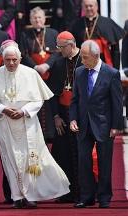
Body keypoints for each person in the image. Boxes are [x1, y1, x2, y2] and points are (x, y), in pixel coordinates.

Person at [0, 43, 70, 208]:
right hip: (6, 124)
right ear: (3, 59)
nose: (11, 63)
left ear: (20, 59)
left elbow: (39, 99)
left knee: (30, 159)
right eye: (7, 60)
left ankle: (30, 195)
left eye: (14, 60)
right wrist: (3, 109)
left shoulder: (31, 74)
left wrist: (23, 111)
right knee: (11, 160)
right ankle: (17, 196)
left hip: (28, 123)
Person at [69, 40, 123, 208]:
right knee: (84, 161)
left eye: (85, 58)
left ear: (95, 56)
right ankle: (87, 197)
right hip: (84, 125)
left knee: (104, 162)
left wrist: (116, 126)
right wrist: (73, 119)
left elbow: (117, 102)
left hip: (104, 125)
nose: (82, 61)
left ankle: (104, 197)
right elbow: (75, 100)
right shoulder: (79, 72)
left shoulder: (111, 73)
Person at [47, 31, 82, 203]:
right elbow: (52, 94)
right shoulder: (59, 64)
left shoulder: (85, 59)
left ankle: (84, 191)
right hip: (63, 115)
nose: (59, 50)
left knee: (82, 154)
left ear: (72, 45)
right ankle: (66, 192)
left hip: (82, 116)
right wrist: (55, 116)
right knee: (62, 155)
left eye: (61, 47)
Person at [19, 6, 58, 139]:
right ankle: (37, 133)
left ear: (44, 19)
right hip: (33, 74)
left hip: (50, 74)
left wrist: (47, 65)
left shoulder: (53, 33)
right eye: (34, 18)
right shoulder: (25, 34)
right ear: (30, 20)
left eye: (39, 17)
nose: (37, 20)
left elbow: (57, 53)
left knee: (50, 103)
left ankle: (51, 133)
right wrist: (35, 67)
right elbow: (24, 54)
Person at [70, 0, 125, 69]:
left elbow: (115, 50)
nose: (88, 8)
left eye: (91, 6)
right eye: (86, 6)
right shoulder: (77, 24)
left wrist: (116, 69)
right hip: (83, 63)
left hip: (103, 62)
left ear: (96, 7)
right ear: (83, 8)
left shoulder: (107, 22)